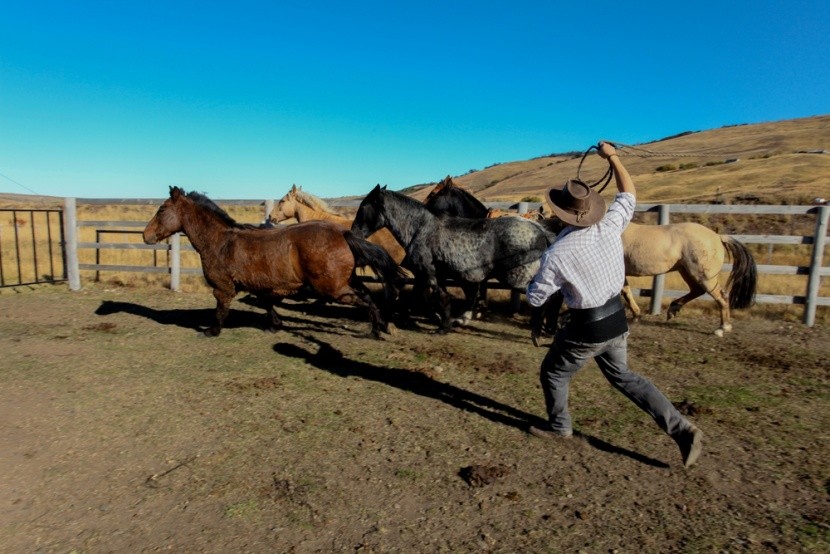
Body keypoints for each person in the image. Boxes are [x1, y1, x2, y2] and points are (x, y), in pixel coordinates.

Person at [525, 141, 703, 468]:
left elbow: (536, 297)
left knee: (553, 373)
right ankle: (682, 428)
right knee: (625, 377)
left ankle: (560, 427)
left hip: (586, 329)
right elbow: (629, 193)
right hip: (617, 321)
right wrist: (613, 158)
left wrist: (532, 282)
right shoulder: (609, 226)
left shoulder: (556, 254)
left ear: (560, 214)